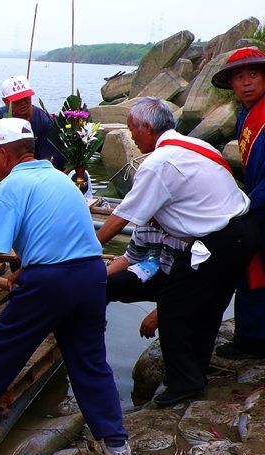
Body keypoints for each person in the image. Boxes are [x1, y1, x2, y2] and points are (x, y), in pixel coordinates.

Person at [0, 117, 132, 455]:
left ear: (5, 154)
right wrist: (28, 266)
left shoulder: (10, 187)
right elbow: (60, 231)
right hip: (90, 275)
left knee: (7, 342)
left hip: (52, 280)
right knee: (89, 361)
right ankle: (116, 446)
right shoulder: (61, 179)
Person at [96, 97, 257, 407]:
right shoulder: (195, 146)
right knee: (209, 304)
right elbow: (134, 255)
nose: (131, 137)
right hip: (240, 232)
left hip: (218, 239)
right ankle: (194, 372)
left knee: (173, 303)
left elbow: (121, 218)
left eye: (132, 131)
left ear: (146, 127)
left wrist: (87, 248)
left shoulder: (158, 163)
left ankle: (185, 381)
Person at [211, 47, 265, 359]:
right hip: (256, 197)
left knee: (253, 266)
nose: (246, 82)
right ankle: (252, 335)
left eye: (253, 75)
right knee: (251, 267)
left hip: (260, 203)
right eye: (239, 77)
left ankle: (253, 340)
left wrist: (247, 207)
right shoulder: (247, 113)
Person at [106, 223, 186, 339]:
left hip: (192, 283)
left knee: (173, 322)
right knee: (107, 283)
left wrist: (158, 313)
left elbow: (195, 283)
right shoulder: (145, 224)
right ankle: (93, 326)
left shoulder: (188, 232)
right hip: (163, 269)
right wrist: (98, 276)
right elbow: (131, 257)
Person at [0, 75, 65, 170]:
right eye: (17, 100)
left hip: (37, 169)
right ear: (6, 101)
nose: (23, 103)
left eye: (26, 97)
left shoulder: (45, 121)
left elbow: (47, 159)